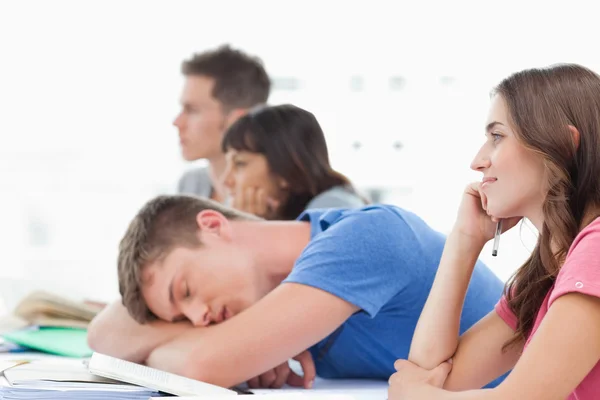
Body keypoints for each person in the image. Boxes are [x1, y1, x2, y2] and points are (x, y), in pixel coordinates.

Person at [87, 195, 504, 389]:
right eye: (180, 320)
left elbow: (202, 366)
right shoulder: (289, 296)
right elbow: (103, 335)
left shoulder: (364, 238)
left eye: (187, 290)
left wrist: (216, 353)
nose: (198, 318)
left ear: (213, 225)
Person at [388, 63, 600, 400]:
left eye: (497, 136)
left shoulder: (597, 248)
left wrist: (418, 396)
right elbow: (433, 374)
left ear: (562, 143)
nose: (477, 161)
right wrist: (464, 241)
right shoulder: (543, 280)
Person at [221, 104, 366, 219]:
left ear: (285, 168)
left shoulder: (331, 210)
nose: (226, 180)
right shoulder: (278, 213)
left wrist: (250, 229)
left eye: (240, 163)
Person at [174, 44, 270, 203]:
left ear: (237, 121)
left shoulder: (279, 199)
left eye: (193, 110)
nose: (177, 122)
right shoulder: (190, 186)